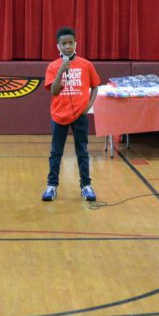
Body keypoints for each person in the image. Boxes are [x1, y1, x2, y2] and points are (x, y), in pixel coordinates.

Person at [42, 26, 102, 202]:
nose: (67, 46)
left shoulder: (86, 64)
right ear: (58, 46)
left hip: (80, 116)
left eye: (70, 43)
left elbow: (95, 86)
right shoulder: (53, 66)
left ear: (75, 44)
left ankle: (86, 186)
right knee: (56, 153)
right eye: (63, 44)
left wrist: (88, 106)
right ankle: (51, 186)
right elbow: (53, 91)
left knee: (82, 151)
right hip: (59, 116)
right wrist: (61, 70)